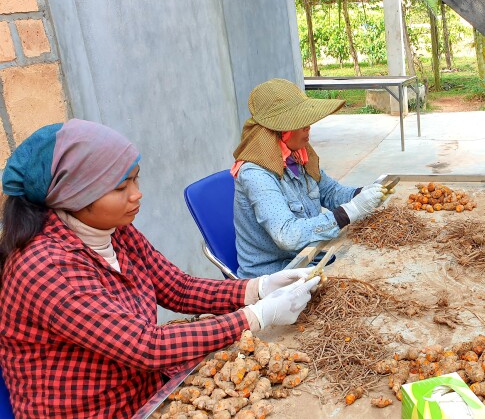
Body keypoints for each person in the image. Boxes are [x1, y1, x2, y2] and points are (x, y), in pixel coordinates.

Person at [0, 120, 318, 418]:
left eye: (135, 178)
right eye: (120, 187)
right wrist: (256, 316)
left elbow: (177, 288)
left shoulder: (112, 229)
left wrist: (257, 287)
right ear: (76, 196)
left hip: (148, 393)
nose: (136, 194)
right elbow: (147, 346)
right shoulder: (44, 267)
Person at [233, 79, 384, 279]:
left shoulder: (297, 156)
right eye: (300, 121)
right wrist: (349, 212)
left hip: (307, 257)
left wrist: (363, 193)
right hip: (273, 276)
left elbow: (330, 192)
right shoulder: (256, 174)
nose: (309, 127)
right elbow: (287, 235)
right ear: (281, 130)